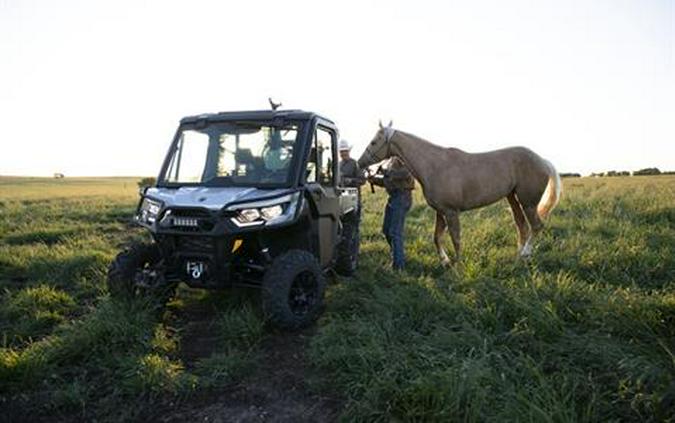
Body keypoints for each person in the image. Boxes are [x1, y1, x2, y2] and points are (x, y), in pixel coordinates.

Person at [368, 157, 415, 270]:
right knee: (387, 230)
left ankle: (398, 266)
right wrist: (373, 179)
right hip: (394, 197)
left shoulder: (404, 159)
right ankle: (398, 255)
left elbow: (406, 174)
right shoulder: (389, 162)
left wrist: (383, 171)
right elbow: (387, 181)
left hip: (402, 197)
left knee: (395, 232)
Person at [338, 139, 366, 255]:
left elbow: (362, 180)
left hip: (354, 200)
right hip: (342, 200)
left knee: (354, 226)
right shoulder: (338, 165)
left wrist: (351, 181)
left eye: (345, 151)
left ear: (348, 151)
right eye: (341, 152)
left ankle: (355, 251)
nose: (343, 154)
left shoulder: (355, 164)